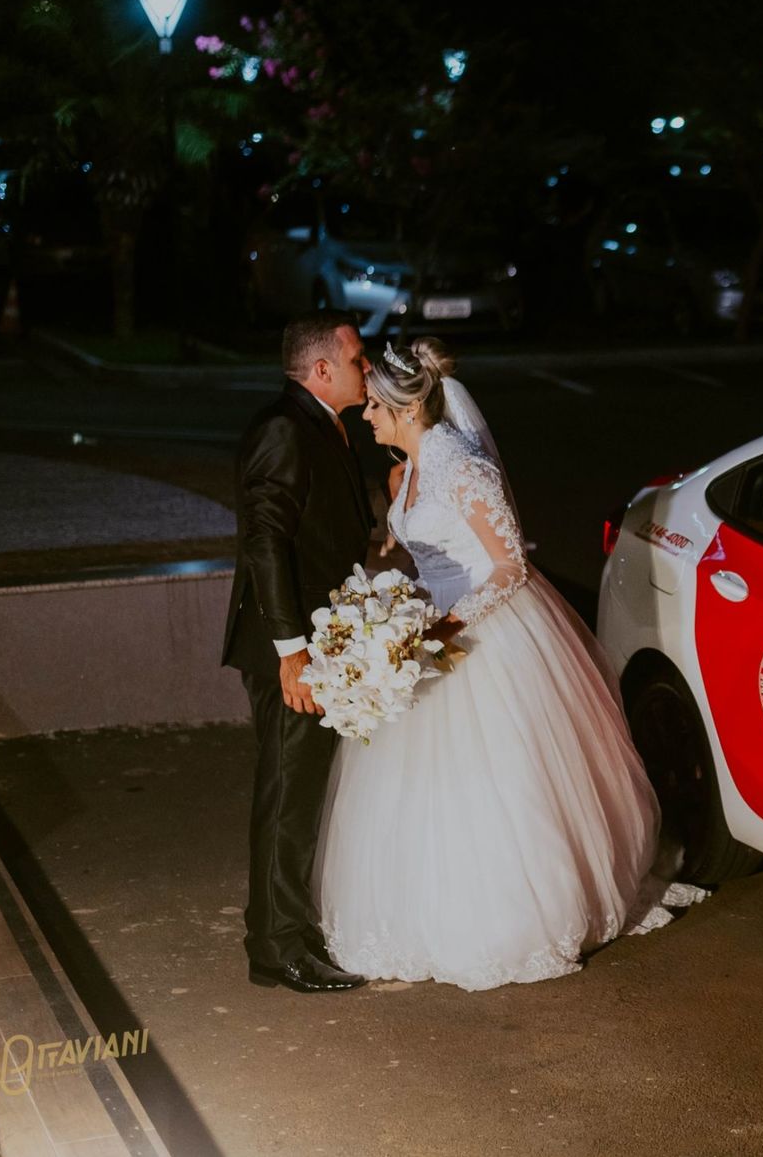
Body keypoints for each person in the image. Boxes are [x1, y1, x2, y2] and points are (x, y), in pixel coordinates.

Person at [314, 337, 704, 990]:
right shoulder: (400, 473)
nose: (365, 415)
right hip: (423, 636)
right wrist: (378, 613)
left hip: (483, 632)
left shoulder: (464, 468)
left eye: (374, 405)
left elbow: (508, 566)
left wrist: (443, 627)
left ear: (406, 406)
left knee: (499, 778)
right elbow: (414, 553)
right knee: (419, 784)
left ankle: (514, 914)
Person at [221, 316, 374, 993]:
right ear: (321, 371)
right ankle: (279, 947)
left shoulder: (326, 426)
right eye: (358, 360)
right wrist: (293, 651)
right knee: (287, 792)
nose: (365, 369)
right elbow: (265, 541)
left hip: (320, 640)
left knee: (300, 790)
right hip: (292, 648)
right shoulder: (284, 429)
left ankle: (281, 931)